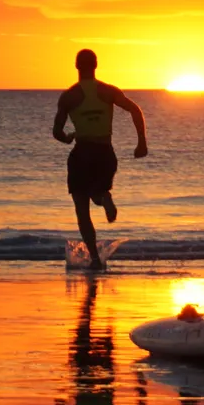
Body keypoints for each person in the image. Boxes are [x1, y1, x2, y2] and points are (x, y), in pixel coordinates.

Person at [52, 48, 148, 270]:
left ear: (77, 66)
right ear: (96, 66)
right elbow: (135, 110)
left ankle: (95, 259)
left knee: (82, 210)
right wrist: (141, 141)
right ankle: (103, 196)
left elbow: (57, 131)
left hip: (82, 152)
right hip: (105, 153)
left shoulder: (69, 96)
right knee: (96, 194)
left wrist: (67, 138)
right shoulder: (108, 91)